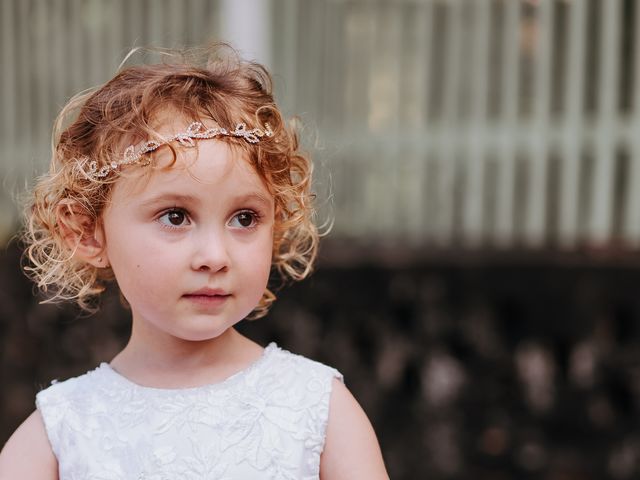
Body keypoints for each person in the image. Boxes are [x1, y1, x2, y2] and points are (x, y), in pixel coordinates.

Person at [0, 44, 388, 480]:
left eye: (245, 218)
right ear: (88, 232)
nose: (215, 257)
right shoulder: (58, 435)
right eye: (175, 217)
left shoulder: (319, 409)